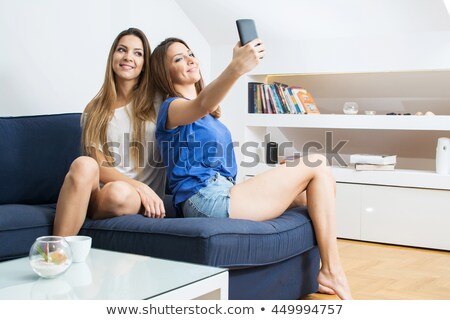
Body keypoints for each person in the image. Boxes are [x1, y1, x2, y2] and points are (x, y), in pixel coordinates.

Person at [151, 36, 352, 300]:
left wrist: (286, 177)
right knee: (316, 162)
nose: (190, 59)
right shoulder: (172, 108)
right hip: (204, 199)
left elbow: (206, 109)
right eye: (178, 58)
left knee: (315, 187)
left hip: (223, 191)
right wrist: (236, 68)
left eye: (190, 53)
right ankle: (332, 270)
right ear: (165, 73)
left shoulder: (211, 116)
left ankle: (324, 268)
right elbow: (201, 104)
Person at [53, 28, 166, 237]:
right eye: (121, 50)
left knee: (118, 193)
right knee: (83, 164)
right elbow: (100, 166)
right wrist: (139, 185)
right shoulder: (95, 109)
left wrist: (140, 190)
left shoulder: (159, 102)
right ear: (112, 57)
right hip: (102, 193)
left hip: (132, 198)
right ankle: (56, 251)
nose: (128, 57)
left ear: (144, 65)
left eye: (137, 53)